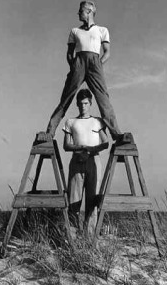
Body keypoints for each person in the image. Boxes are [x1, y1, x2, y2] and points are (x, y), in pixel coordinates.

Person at [44, 0, 122, 142]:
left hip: (95, 64)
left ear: (89, 11)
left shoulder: (102, 30)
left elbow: (107, 52)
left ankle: (116, 134)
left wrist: (98, 64)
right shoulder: (75, 31)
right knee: (66, 98)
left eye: (80, 11)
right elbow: (69, 53)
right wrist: (73, 65)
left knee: (103, 99)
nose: (78, 13)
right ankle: (49, 132)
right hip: (78, 63)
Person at [63, 89, 108, 236]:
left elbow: (105, 142)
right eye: (80, 103)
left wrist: (90, 151)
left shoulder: (97, 121)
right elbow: (66, 145)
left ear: (90, 103)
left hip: (94, 160)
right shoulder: (71, 122)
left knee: (93, 200)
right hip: (77, 161)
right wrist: (82, 148)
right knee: (74, 199)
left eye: (86, 103)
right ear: (76, 104)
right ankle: (73, 236)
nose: (83, 106)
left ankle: (89, 237)